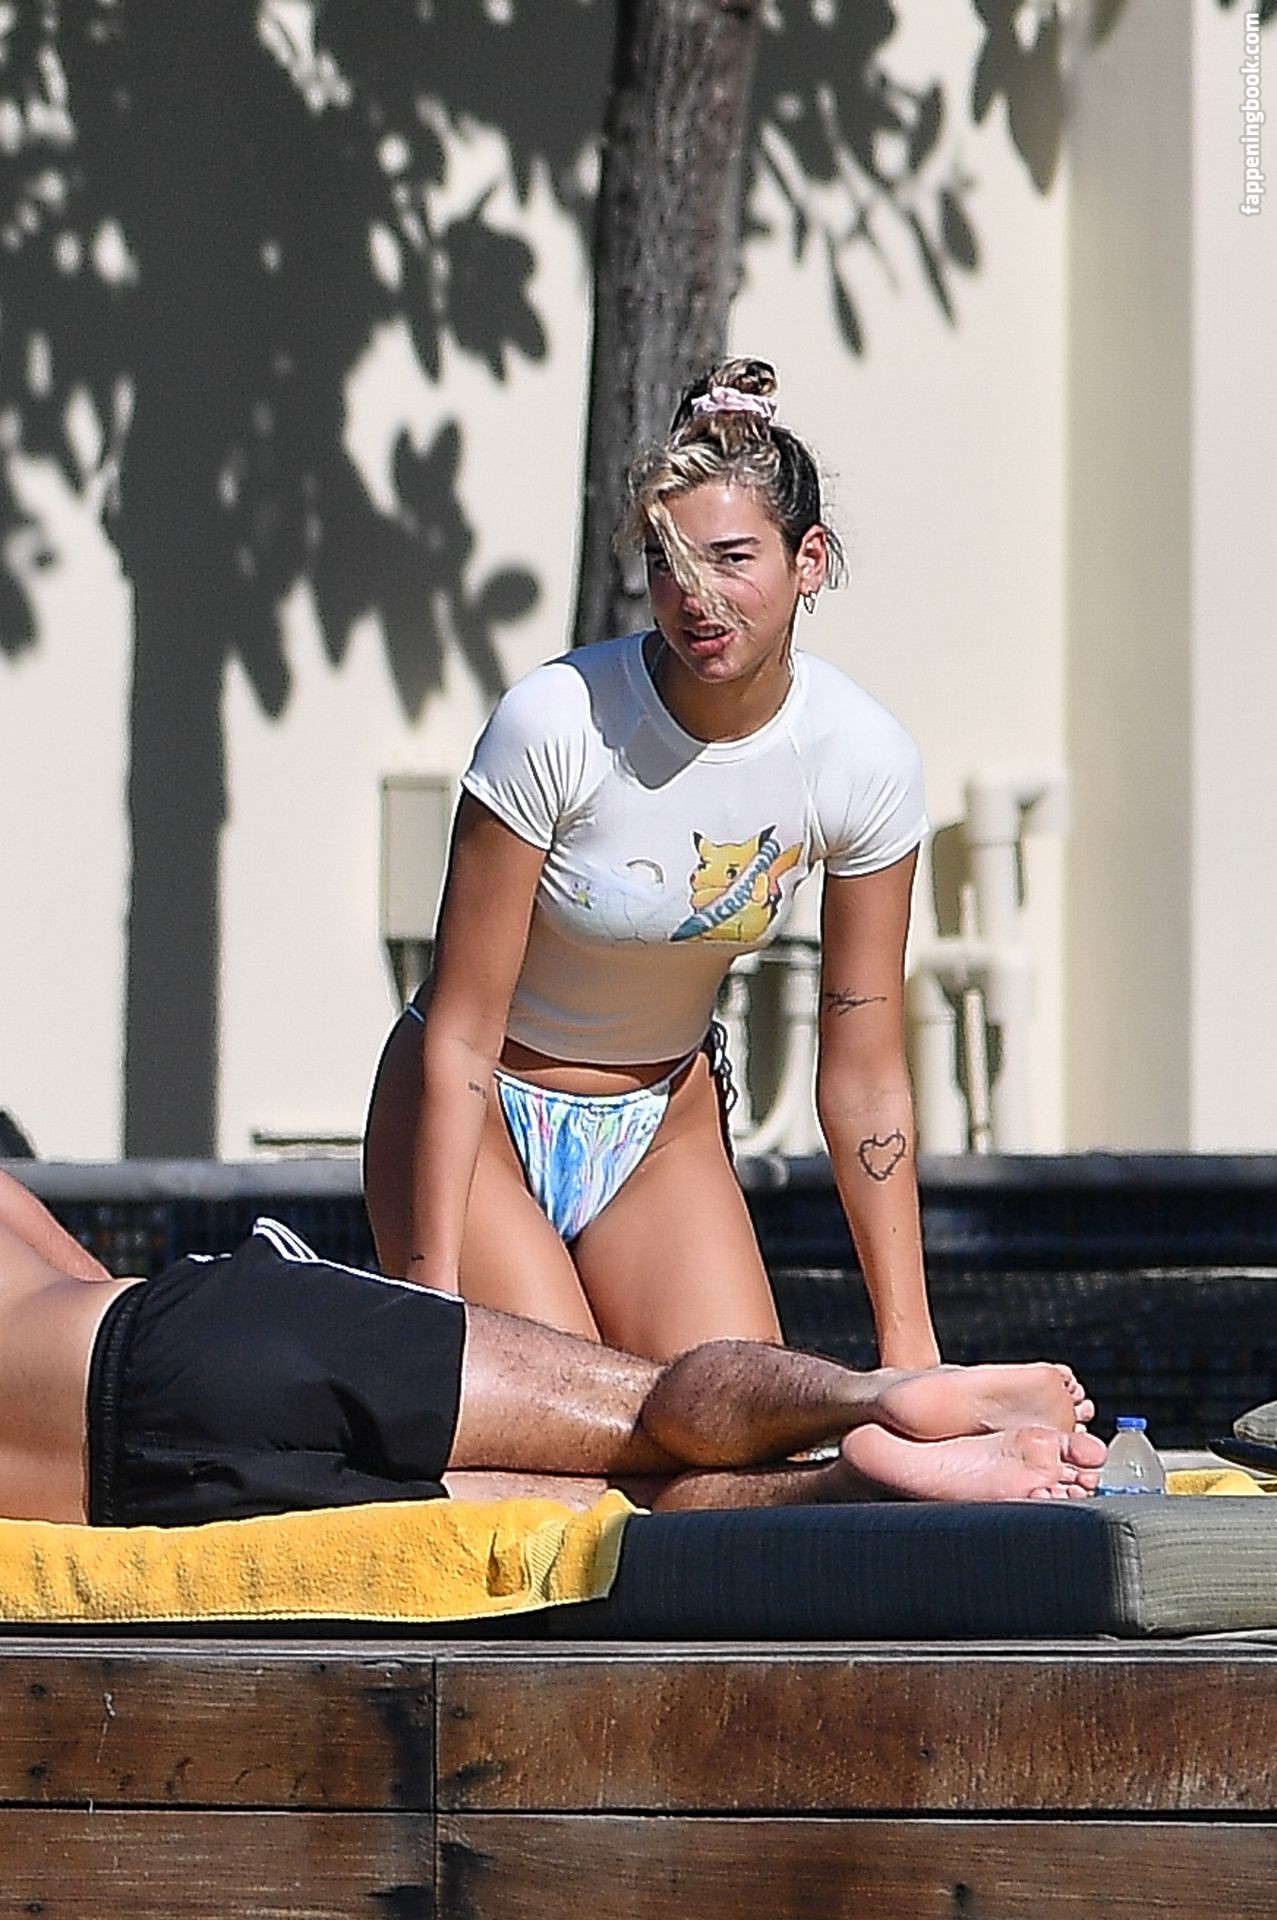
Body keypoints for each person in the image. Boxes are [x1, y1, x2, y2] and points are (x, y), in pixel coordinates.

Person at [364, 356, 939, 1367]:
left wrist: (907, 1345)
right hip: (479, 1118)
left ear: (807, 560)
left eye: (730, 558)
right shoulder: (554, 721)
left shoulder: (860, 758)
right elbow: (458, 1030)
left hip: (659, 1132)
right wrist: (432, 1294)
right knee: (568, 1426)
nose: (695, 597)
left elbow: (864, 1076)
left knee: (737, 1424)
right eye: (667, 563)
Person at [0, 1170, 1103, 1527]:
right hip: (165, 1342)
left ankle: (838, 1487)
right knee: (642, 1416)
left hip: (142, 1504)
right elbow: (79, 1274)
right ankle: (873, 1395)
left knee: (606, 1516)